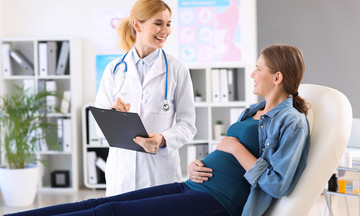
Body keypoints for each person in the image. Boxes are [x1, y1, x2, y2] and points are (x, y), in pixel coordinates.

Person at [7, 44, 310, 216]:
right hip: (193, 184)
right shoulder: (254, 110)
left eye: (258, 68)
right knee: (98, 203)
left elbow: (277, 185)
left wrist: (234, 148)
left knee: (108, 215)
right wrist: (199, 164)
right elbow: (230, 153)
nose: (252, 73)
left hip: (218, 202)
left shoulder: (292, 121)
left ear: (277, 76)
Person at [95, 0, 197, 196]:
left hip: (159, 172)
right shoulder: (114, 69)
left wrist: (162, 138)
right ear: (137, 25)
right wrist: (113, 114)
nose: (165, 30)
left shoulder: (177, 69)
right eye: (158, 23)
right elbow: (99, 126)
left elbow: (188, 124)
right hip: (122, 172)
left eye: (168, 24)